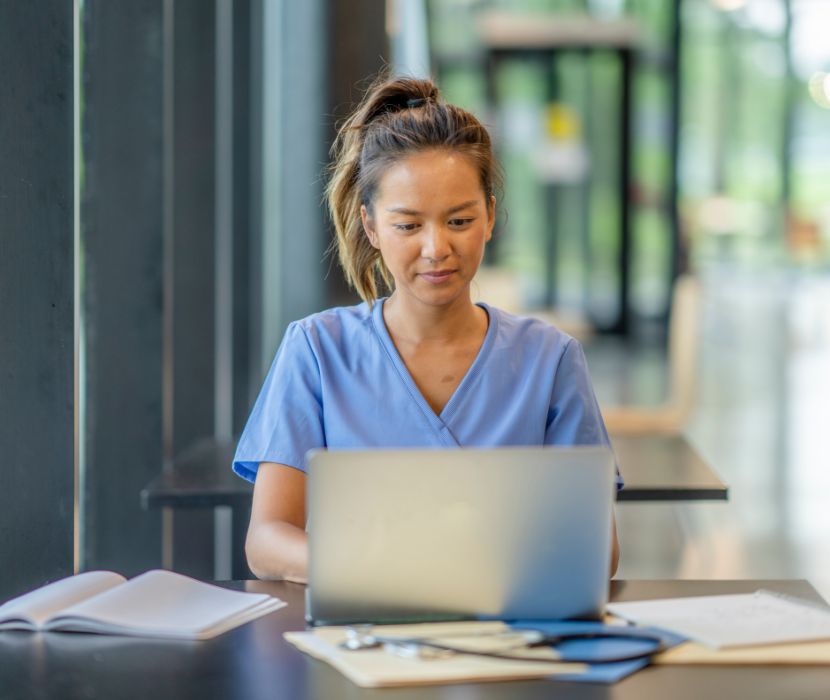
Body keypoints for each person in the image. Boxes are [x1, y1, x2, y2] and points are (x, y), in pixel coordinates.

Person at [233, 75, 621, 584]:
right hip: (361, 636)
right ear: (371, 227)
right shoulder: (316, 350)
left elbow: (596, 547)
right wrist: (376, 572)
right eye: (408, 225)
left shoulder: (550, 359)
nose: (436, 248)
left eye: (458, 221)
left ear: (489, 218)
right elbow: (266, 540)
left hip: (508, 638)